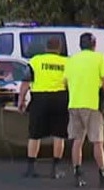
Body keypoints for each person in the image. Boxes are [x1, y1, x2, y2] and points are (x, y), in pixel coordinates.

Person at [63, 33, 104, 188]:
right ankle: (103, 174)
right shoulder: (98, 58)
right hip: (92, 105)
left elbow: (65, 83)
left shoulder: (72, 60)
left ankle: (77, 173)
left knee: (77, 140)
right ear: (94, 44)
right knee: (97, 141)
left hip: (74, 104)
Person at [18, 37, 69, 178]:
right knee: (59, 135)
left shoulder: (35, 61)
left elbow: (25, 82)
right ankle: (56, 169)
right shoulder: (67, 62)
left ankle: (31, 168)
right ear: (59, 49)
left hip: (39, 99)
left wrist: (21, 100)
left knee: (34, 134)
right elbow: (71, 83)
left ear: (46, 48)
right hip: (60, 98)